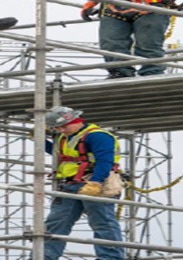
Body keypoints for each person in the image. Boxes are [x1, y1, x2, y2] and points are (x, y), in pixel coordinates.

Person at [39, 107, 124, 260]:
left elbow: (104, 161)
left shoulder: (98, 136)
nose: (61, 130)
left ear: (76, 121)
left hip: (93, 182)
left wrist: (95, 183)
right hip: (69, 185)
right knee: (55, 224)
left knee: (102, 223)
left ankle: (111, 258)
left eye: (63, 126)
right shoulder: (66, 137)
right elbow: (59, 154)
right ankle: (43, 256)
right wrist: (39, 139)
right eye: (57, 128)